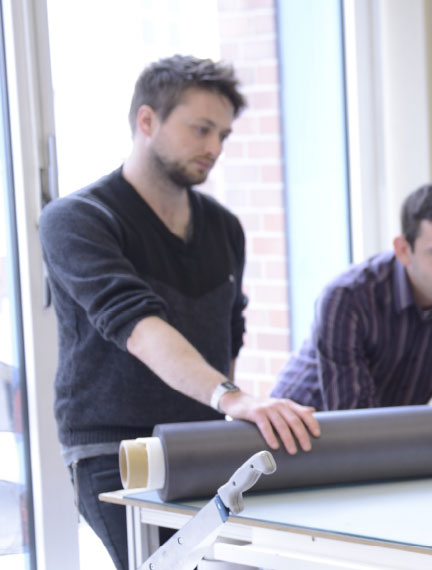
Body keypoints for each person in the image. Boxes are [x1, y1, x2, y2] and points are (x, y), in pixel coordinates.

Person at [38, 55, 320, 570]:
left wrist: (225, 407)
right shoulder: (77, 220)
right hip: (116, 452)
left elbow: (228, 334)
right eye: (201, 129)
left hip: (205, 446)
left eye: (223, 136)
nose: (213, 148)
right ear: (147, 121)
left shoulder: (225, 228)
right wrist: (232, 397)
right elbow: (141, 329)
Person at [272, 183, 432, 460]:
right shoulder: (347, 298)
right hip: (293, 443)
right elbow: (356, 425)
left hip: (385, 452)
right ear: (403, 249)